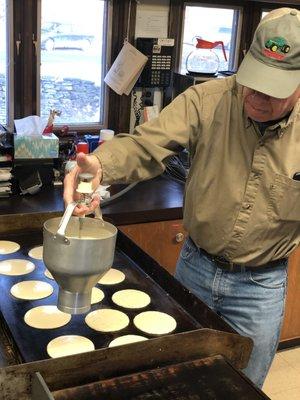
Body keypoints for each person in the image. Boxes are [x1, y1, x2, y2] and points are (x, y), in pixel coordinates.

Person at [64, 7, 300, 388]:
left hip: (261, 286)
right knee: (180, 380)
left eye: (273, 90)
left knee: (240, 386)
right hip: (196, 267)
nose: (256, 96)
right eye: (253, 80)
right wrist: (99, 164)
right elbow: (146, 145)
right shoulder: (207, 100)